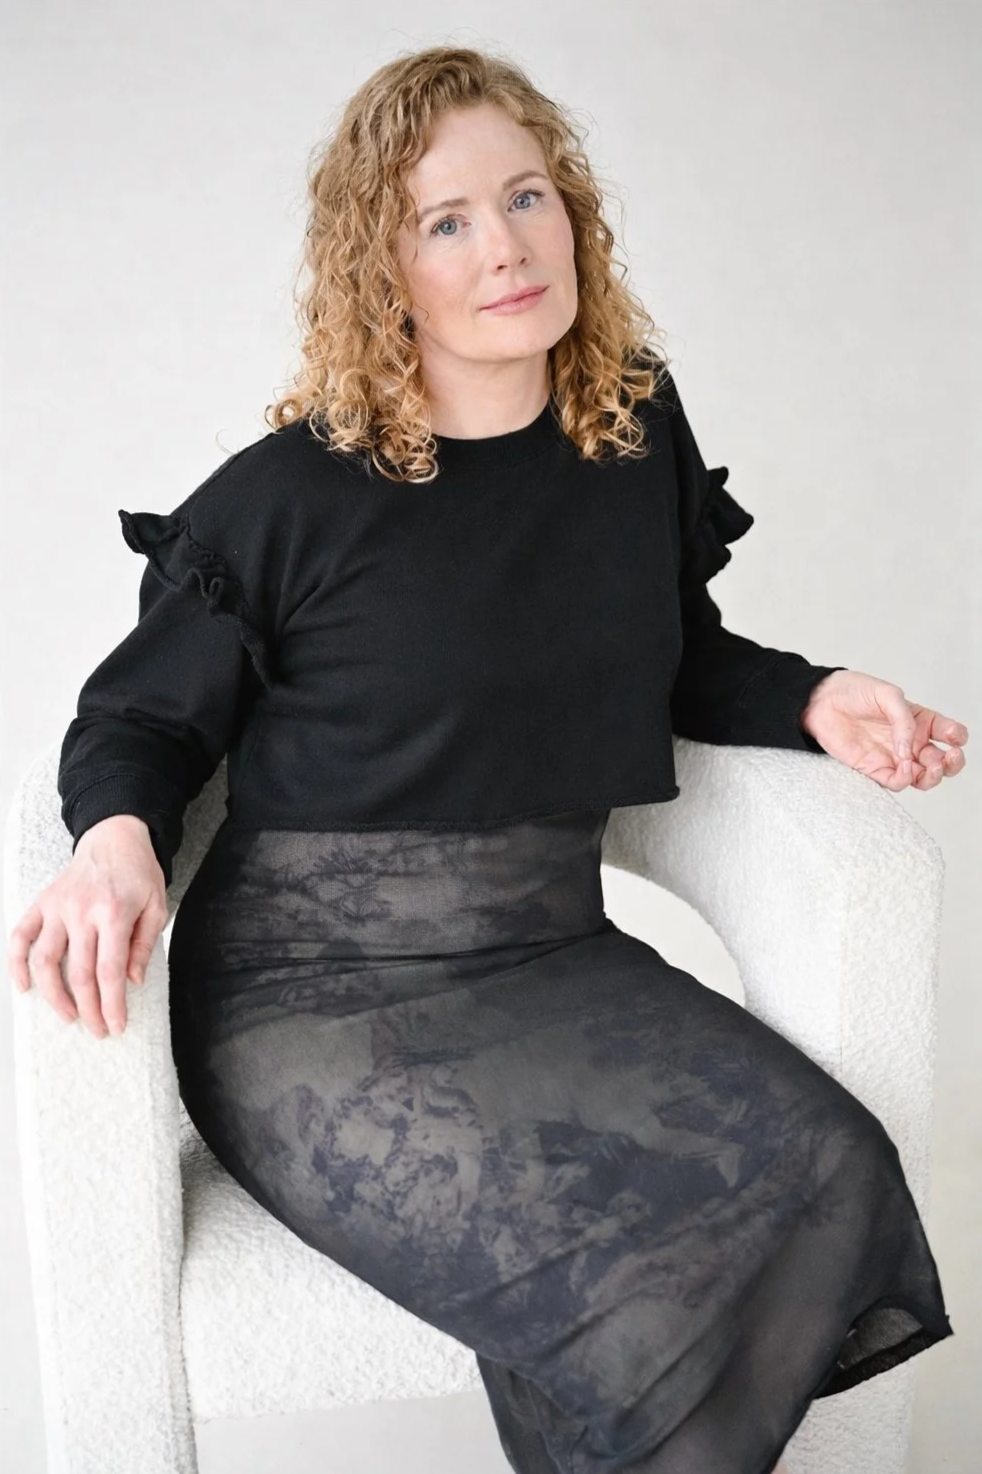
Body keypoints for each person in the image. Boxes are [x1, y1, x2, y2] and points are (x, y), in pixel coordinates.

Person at [8, 45, 966, 1474]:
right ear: (381, 264)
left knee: (833, 1162)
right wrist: (117, 834)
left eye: (526, 197)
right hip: (306, 999)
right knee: (623, 1276)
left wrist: (816, 695)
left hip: (545, 953)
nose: (503, 245)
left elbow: (671, 649)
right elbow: (138, 717)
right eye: (444, 219)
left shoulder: (628, 434)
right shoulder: (291, 497)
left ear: (573, 211)